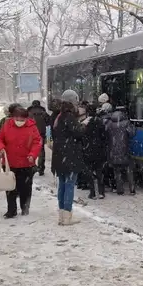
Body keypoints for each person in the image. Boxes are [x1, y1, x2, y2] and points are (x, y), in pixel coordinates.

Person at [0, 104, 43, 218]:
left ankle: (25, 207)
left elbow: (37, 142)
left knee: (25, 187)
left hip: (26, 162)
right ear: (13, 117)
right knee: (10, 187)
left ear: (26, 118)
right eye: (17, 119)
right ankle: (11, 210)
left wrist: (33, 154)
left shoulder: (32, 127)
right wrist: (0, 148)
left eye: (22, 119)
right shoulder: (7, 125)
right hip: (10, 163)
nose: (19, 121)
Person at [51, 90, 84, 225]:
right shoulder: (69, 117)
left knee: (62, 185)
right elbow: (78, 133)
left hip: (59, 156)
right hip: (69, 156)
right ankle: (67, 216)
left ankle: (61, 215)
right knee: (69, 185)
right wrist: (83, 125)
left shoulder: (57, 116)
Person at [105, 105, 136, 195]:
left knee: (117, 171)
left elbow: (105, 134)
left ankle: (120, 190)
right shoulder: (126, 123)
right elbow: (132, 133)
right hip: (124, 150)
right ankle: (132, 189)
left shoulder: (109, 123)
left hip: (113, 151)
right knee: (129, 170)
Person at [84, 103, 107, 199]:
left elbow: (82, 137)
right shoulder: (100, 122)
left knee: (89, 172)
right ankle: (101, 192)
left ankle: (92, 192)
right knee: (99, 171)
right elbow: (104, 136)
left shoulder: (85, 122)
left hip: (88, 150)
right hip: (99, 150)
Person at [27, 100, 50, 176]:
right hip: (41, 134)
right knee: (41, 151)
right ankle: (41, 168)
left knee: (31, 151)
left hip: (30, 134)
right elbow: (48, 122)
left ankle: (31, 167)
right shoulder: (43, 112)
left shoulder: (28, 112)